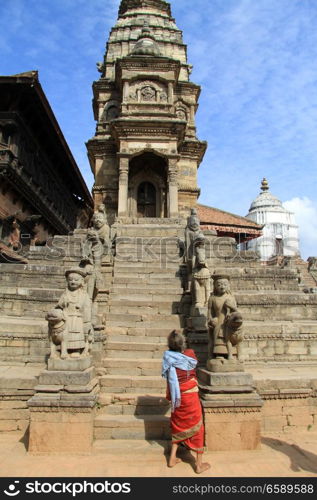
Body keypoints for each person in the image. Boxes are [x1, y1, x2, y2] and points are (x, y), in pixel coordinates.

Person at [162, 330, 210, 474]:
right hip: (191, 396)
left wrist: (169, 397)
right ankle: (199, 465)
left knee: (178, 425)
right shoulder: (190, 354)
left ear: (169, 345)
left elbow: (170, 381)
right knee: (197, 427)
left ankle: (172, 458)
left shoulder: (167, 358)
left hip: (178, 396)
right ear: (183, 343)